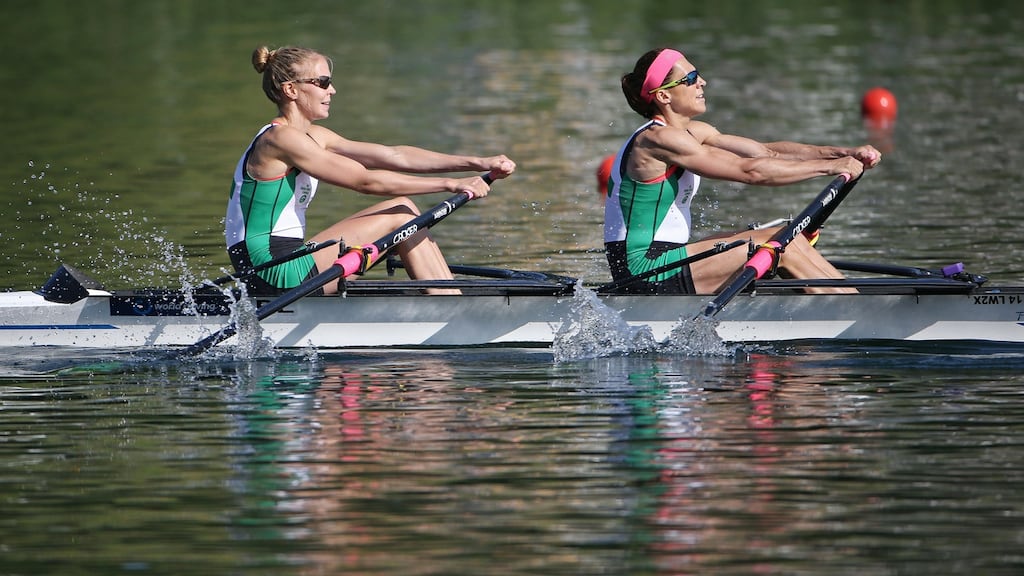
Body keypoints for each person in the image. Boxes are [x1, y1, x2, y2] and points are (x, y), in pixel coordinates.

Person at [225, 45, 516, 296]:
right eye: (323, 82)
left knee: (403, 209)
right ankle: (450, 307)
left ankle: (448, 297)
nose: (332, 90)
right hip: (269, 270)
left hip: (287, 260)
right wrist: (452, 185)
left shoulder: (314, 136)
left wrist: (479, 163)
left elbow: (394, 156)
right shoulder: (280, 139)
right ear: (291, 89)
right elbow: (365, 182)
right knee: (401, 216)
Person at [604, 48, 881, 295]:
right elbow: (750, 172)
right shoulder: (656, 139)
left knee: (788, 236)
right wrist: (829, 168)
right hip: (643, 270)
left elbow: (765, 153)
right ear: (664, 95)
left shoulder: (693, 132)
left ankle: (850, 302)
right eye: (690, 78)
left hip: (668, 259)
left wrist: (845, 154)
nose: (702, 82)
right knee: (779, 244)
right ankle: (859, 315)